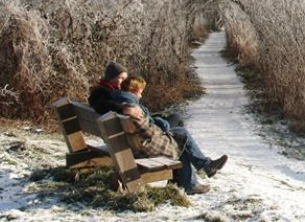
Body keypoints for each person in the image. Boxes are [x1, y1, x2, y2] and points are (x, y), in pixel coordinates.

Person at [88, 62, 228, 195]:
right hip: (138, 145)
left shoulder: (115, 94)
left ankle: (194, 176)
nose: (122, 82)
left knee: (177, 127)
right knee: (181, 137)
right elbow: (105, 105)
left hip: (126, 139)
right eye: (121, 78)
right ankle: (195, 176)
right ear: (111, 77)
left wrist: (154, 118)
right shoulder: (107, 95)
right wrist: (126, 109)